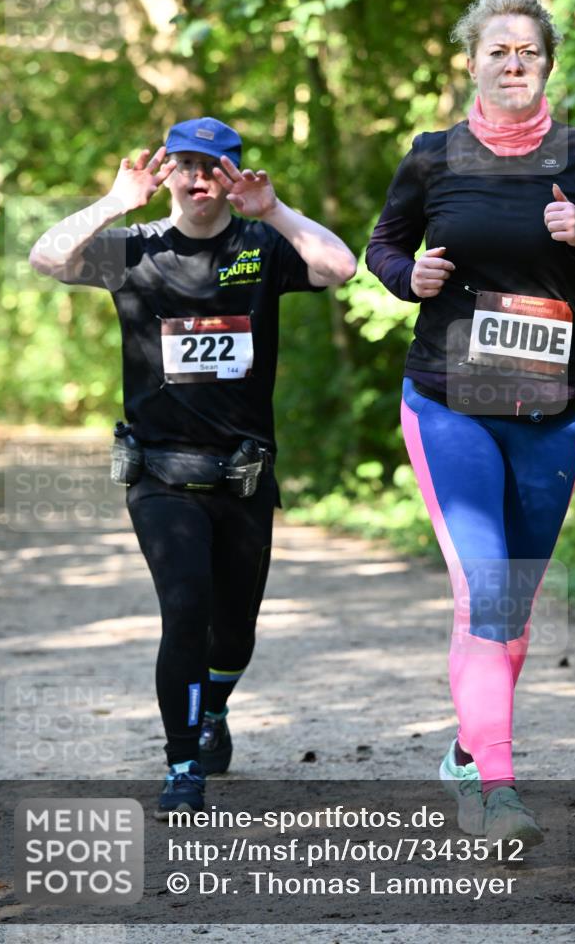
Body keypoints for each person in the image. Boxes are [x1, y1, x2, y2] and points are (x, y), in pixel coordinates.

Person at [366, 0, 575, 848]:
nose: (512, 62)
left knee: (510, 606)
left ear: (546, 63)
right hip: (450, 400)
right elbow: (385, 243)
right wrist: (404, 278)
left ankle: (464, 750)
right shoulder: (431, 156)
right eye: (497, 50)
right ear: (472, 62)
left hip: (548, 408)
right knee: (485, 592)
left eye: (527, 51)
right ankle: (498, 789)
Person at [29, 116, 357, 816]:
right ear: (168, 173)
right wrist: (115, 201)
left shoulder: (260, 246)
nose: (198, 177)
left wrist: (275, 211)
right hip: (160, 474)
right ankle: (182, 764)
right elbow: (46, 258)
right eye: (184, 164)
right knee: (185, 609)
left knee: (234, 629)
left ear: (233, 174)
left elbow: (339, 268)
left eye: (213, 166)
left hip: (242, 473)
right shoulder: (132, 249)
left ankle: (212, 709)